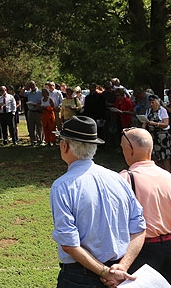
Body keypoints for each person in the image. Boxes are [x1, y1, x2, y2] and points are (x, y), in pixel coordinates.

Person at [50, 116, 145, 288]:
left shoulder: (62, 186)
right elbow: (139, 229)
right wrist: (120, 268)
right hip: (119, 272)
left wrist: (106, 272)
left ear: (65, 146)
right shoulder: (117, 178)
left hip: (80, 276)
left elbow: (69, 244)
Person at [118, 128, 171, 287]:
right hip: (166, 247)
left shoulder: (125, 178)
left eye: (122, 147)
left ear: (130, 150)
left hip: (139, 250)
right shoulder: (167, 176)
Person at [142, 94, 171, 172]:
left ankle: (167, 171)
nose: (151, 105)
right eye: (150, 103)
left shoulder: (162, 110)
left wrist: (155, 124)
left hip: (162, 136)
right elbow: (145, 122)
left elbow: (166, 124)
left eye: (153, 102)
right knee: (154, 155)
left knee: (165, 156)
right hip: (152, 136)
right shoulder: (149, 110)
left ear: (157, 102)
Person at [25, 81, 43, 145]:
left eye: (32, 85)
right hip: (30, 111)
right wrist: (26, 87)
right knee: (31, 127)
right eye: (30, 85)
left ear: (35, 84)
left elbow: (43, 101)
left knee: (39, 126)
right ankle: (33, 140)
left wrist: (37, 104)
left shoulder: (40, 92)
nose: (31, 86)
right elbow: (21, 94)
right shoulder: (28, 92)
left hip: (37, 111)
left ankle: (41, 140)